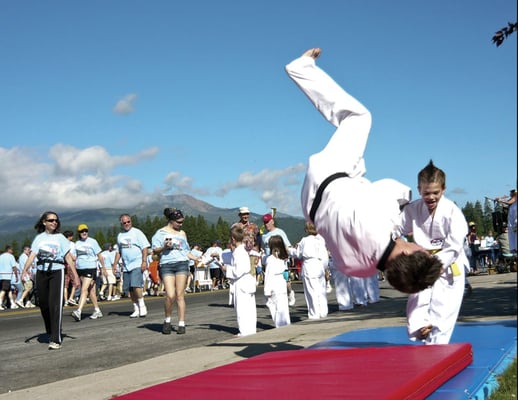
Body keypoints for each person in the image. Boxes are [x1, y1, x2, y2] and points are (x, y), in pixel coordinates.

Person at [285, 47, 442, 294]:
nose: (416, 243)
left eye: (419, 248)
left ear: (409, 252)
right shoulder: (360, 269)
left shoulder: (380, 223)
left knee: (359, 117)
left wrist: (413, 200)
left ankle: (301, 69)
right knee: (359, 178)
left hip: (328, 174)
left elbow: (390, 189)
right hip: (311, 206)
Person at [398, 160, 469, 344]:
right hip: (421, 262)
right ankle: (420, 329)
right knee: (416, 304)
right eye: (426, 193)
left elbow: (454, 245)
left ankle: (436, 345)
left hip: (449, 264)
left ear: (443, 189)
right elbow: (395, 228)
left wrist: (436, 265)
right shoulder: (412, 209)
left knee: (443, 309)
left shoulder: (452, 212)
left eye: (435, 192)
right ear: (419, 189)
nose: (431, 197)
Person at [21, 211, 80, 350]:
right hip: (41, 271)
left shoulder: (60, 238)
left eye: (56, 220)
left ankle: (56, 338)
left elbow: (68, 258)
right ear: (44, 222)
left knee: (55, 304)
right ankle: (50, 328)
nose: (54, 222)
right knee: (43, 304)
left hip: (57, 271)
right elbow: (32, 255)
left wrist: (75, 275)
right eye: (51, 220)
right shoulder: (39, 238)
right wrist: (25, 269)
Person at [151, 208, 198, 335]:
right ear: (171, 221)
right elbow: (154, 250)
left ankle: (181, 323)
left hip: (182, 264)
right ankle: (167, 319)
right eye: (178, 222)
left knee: (180, 295)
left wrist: (196, 257)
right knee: (170, 295)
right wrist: (164, 247)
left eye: (182, 222)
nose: (181, 224)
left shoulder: (182, 234)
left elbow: (186, 251)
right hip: (167, 264)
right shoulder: (160, 233)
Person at [113, 214, 150, 318]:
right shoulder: (120, 235)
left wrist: (144, 261)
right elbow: (118, 251)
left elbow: (145, 248)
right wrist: (115, 264)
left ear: (131, 221)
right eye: (124, 222)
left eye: (128, 221)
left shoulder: (137, 232)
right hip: (126, 265)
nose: (127, 224)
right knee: (129, 288)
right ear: (121, 223)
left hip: (137, 263)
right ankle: (136, 308)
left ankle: (142, 306)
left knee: (136, 285)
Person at [222, 225, 257, 336]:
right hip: (246, 280)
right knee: (249, 308)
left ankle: (245, 331)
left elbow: (238, 270)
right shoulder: (242, 250)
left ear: (232, 238)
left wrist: (227, 268)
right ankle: (250, 330)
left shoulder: (239, 251)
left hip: (242, 282)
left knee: (242, 308)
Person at [292, 222, 329, 319]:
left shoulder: (304, 240)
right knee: (321, 290)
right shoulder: (321, 240)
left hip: (309, 265)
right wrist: (324, 267)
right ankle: (323, 312)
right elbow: (325, 257)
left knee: (311, 291)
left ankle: (314, 314)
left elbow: (298, 254)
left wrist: (290, 251)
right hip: (319, 264)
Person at [71, 224, 105, 321]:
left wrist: (103, 269)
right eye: (82, 231)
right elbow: (74, 257)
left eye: (86, 231)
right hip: (80, 268)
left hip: (90, 267)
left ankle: (79, 311)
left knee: (84, 289)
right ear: (79, 233)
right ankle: (97, 310)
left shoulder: (92, 241)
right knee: (91, 291)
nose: (84, 233)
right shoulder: (76, 243)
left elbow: (100, 256)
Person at [261, 213, 296, 305]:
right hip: (270, 261)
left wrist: (286, 256)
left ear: (272, 221)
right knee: (271, 281)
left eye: (268, 222)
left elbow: (287, 246)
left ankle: (290, 292)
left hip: (281, 260)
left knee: (285, 281)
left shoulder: (280, 232)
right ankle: (274, 298)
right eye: (264, 223)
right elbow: (264, 248)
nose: (266, 224)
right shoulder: (264, 235)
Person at [263, 235, 291, 328]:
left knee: (275, 307)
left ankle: (280, 326)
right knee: (283, 307)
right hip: (281, 284)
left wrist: (267, 290)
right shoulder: (283, 258)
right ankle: (285, 324)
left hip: (274, 284)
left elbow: (268, 275)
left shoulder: (270, 259)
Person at [0, 246, 18, 310]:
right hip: (7, 276)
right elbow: (14, 267)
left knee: (9, 290)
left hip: (1, 276)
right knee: (4, 290)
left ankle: (12, 303)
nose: (12, 251)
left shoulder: (1, 256)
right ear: (9, 250)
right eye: (12, 250)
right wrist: (16, 276)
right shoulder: (11, 256)